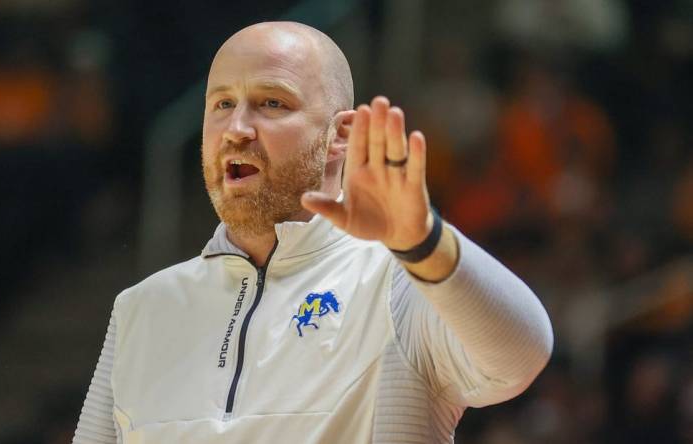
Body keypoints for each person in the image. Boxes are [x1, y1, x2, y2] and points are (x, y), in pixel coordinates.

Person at [72, 21, 553, 443]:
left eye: (272, 103)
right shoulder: (141, 309)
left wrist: (422, 241)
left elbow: (521, 355)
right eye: (221, 104)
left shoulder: (399, 284)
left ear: (340, 136)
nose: (237, 128)